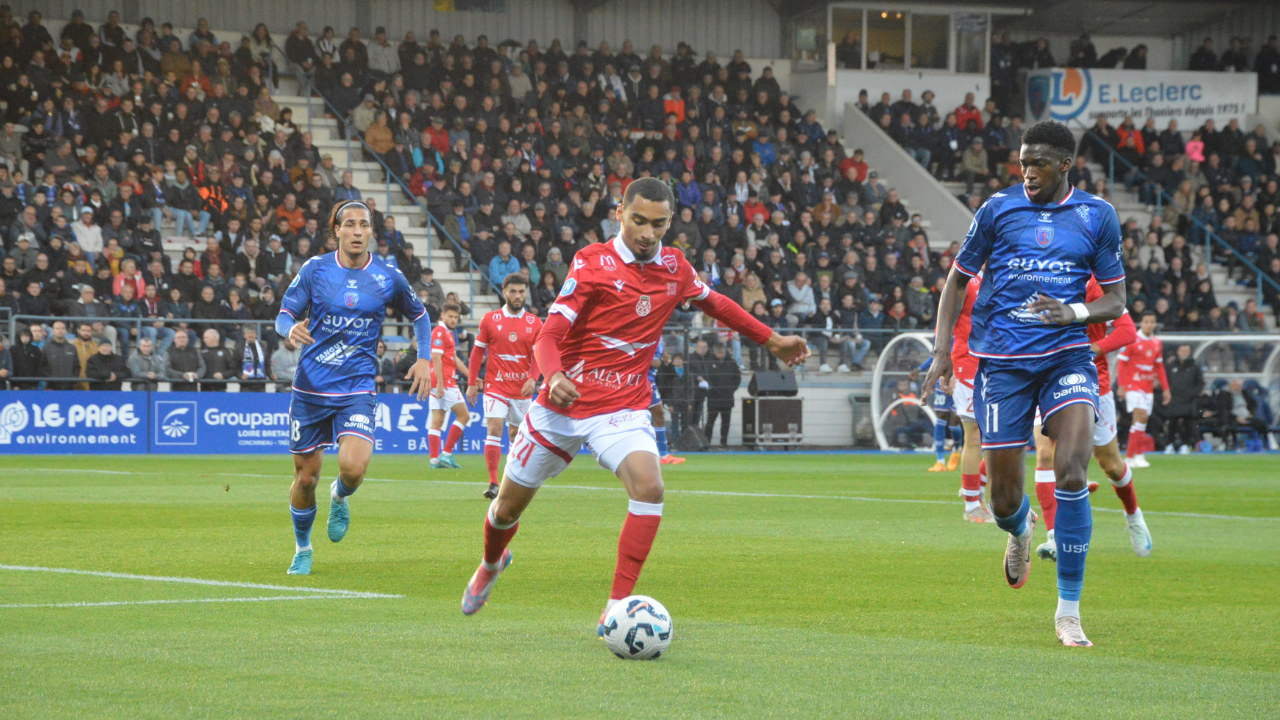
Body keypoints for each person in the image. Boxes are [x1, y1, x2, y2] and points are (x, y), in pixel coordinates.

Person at [458, 178, 809, 633]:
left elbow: (716, 303)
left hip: (622, 406)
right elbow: (549, 335)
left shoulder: (674, 265)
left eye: (658, 224)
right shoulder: (591, 263)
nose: (647, 233)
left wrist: (774, 339)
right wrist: (555, 374)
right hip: (562, 404)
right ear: (619, 213)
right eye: (639, 220)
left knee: (650, 487)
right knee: (506, 509)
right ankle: (491, 562)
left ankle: (617, 607)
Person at [924, 120, 1128, 648]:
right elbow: (957, 278)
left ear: (1065, 164)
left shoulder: (1096, 215)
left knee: (1071, 465)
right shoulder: (997, 208)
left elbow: (1115, 301)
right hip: (1002, 364)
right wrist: (944, 348)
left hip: (1066, 358)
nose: (1027, 171)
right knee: (1004, 498)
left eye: (1038, 162)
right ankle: (1019, 529)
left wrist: (1073, 312)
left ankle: (1068, 611)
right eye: (1022, 161)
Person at [274, 200, 434, 575]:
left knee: (354, 469)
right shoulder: (315, 270)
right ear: (338, 231)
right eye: (350, 224)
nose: (358, 231)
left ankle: (340, 495)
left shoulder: (387, 276)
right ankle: (302, 547)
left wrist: (424, 358)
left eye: (364, 224)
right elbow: (284, 313)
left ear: (371, 232)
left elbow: (420, 315)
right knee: (305, 478)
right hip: (311, 388)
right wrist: (289, 328)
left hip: (357, 386)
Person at [1032, 277, 1152, 562]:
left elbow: (1127, 331)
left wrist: (1092, 349)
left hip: (1092, 381)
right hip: (1048, 377)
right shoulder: (1040, 275)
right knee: (1045, 455)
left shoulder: (1096, 286)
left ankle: (1134, 515)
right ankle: (1054, 537)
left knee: (1110, 463)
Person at [467, 274, 545, 499]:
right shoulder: (490, 319)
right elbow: (477, 352)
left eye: (522, 291)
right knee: (494, 429)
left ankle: (513, 479)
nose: (518, 296)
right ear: (504, 292)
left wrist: (533, 378)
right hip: (495, 385)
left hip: (521, 388)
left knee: (516, 434)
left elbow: (538, 355)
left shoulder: (534, 322)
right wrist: (472, 382)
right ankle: (493, 482)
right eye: (513, 291)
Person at [1115, 312, 1168, 468]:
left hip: (1147, 386)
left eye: (1152, 322)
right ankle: (1130, 456)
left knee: (1141, 421)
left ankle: (1137, 455)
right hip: (1133, 385)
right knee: (1141, 416)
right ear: (1141, 323)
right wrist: (1122, 386)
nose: (1150, 325)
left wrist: (1166, 388)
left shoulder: (1157, 343)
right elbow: (1121, 364)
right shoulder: (1132, 340)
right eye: (1146, 321)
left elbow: (1159, 367)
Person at [426, 303, 471, 469]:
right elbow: (436, 358)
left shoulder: (447, 333)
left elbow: (454, 359)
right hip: (445, 382)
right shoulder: (439, 332)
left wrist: (471, 377)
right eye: (450, 316)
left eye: (456, 317)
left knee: (437, 420)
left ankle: (434, 460)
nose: (453, 319)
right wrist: (440, 384)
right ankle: (446, 453)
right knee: (464, 416)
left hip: (439, 382)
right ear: (442, 315)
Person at [646, 337, 684, 465]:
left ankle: (663, 454)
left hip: (650, 380)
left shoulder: (660, 337)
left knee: (658, 415)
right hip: (641, 381)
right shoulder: (647, 332)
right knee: (646, 415)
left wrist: (663, 357)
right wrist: (658, 360)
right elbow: (647, 358)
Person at [1162, 344, 1204, 454]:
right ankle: (1169, 444)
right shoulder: (1171, 366)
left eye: (1186, 351)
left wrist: (1192, 394)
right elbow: (1165, 381)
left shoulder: (1194, 367)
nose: (1184, 353)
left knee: (1187, 424)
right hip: (1173, 400)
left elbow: (1200, 384)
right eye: (1182, 350)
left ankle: (1185, 444)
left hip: (1188, 401)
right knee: (1172, 423)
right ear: (1178, 351)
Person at [703, 343, 741, 447]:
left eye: (722, 352)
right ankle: (707, 443)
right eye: (718, 352)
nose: (720, 354)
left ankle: (723, 443)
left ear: (725, 352)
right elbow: (707, 378)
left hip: (727, 397)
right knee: (710, 421)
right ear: (714, 352)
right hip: (713, 397)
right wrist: (713, 389)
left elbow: (737, 378)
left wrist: (731, 389)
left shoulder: (732, 363)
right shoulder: (709, 363)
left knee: (726, 421)